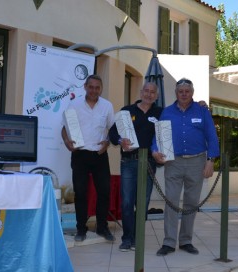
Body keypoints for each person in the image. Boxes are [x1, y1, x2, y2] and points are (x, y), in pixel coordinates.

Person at [151, 78, 220, 256]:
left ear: (192, 93)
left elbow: (212, 136)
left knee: (191, 202)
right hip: (173, 162)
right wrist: (154, 151)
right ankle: (168, 242)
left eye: (187, 91)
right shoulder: (166, 112)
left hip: (197, 162)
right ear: (176, 93)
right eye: (180, 91)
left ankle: (186, 240)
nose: (183, 94)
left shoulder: (202, 111)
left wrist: (211, 160)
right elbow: (158, 136)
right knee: (172, 201)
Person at [108, 82, 163, 252]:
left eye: (152, 92)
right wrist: (120, 141)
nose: (149, 94)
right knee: (126, 203)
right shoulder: (127, 111)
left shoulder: (160, 112)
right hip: (129, 162)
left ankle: (137, 238)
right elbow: (112, 132)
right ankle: (127, 239)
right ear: (141, 92)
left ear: (156, 95)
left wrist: (200, 104)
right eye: (146, 91)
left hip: (148, 163)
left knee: (142, 203)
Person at [61, 74, 115, 242]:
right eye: (91, 87)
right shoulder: (74, 104)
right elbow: (65, 128)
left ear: (101, 89)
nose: (94, 90)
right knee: (81, 193)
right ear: (85, 87)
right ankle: (81, 229)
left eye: (97, 88)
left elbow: (112, 130)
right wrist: (67, 142)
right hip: (80, 154)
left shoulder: (107, 106)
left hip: (99, 154)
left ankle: (102, 227)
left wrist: (107, 142)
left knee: (104, 192)